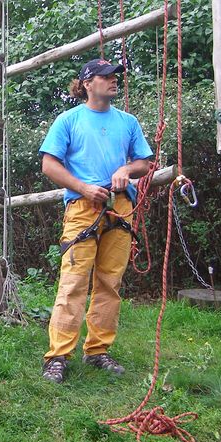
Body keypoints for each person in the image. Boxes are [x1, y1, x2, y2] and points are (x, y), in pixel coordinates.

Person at [38, 58, 153, 384]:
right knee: (73, 282)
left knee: (109, 283)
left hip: (120, 209)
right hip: (82, 210)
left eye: (115, 76)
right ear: (88, 83)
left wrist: (126, 170)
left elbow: (144, 162)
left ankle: (97, 350)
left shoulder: (128, 122)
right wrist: (84, 187)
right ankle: (58, 356)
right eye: (106, 76)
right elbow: (49, 165)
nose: (114, 80)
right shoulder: (68, 120)